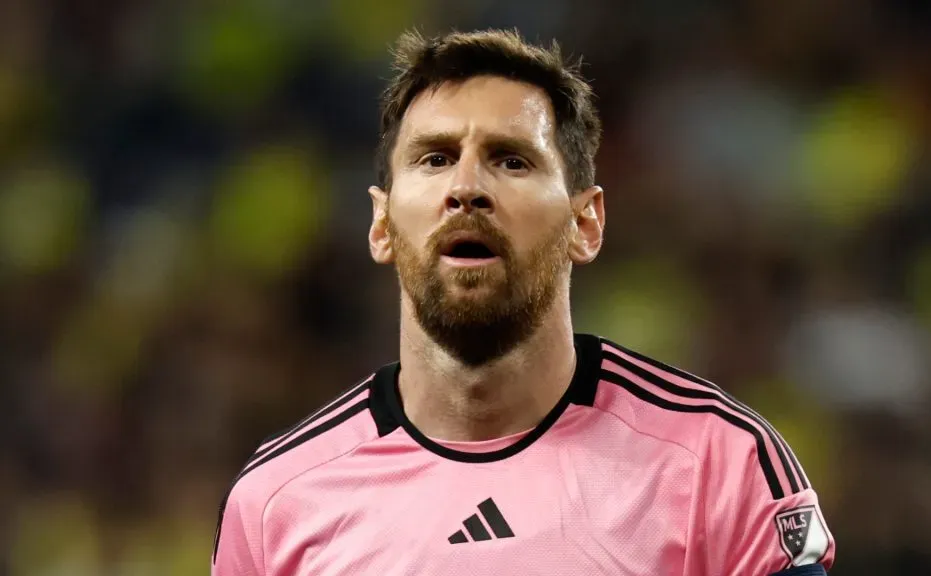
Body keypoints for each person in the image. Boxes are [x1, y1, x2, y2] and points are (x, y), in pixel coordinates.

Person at [211, 28, 836, 575]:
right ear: (381, 225)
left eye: (511, 161)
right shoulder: (276, 502)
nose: (466, 188)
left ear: (585, 223)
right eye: (435, 159)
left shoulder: (718, 464)